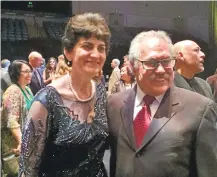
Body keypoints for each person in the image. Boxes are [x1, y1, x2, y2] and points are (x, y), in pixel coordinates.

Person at [107, 30, 217, 177]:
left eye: (166, 61)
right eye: (151, 63)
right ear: (133, 66)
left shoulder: (200, 109)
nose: (160, 70)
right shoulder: (114, 104)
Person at [19, 12, 111, 177]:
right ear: (68, 52)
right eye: (87, 46)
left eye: (101, 48)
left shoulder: (101, 93)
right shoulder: (46, 102)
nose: (96, 54)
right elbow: (27, 170)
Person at [1, 60, 33, 176]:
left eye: (30, 71)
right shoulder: (13, 91)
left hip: (25, 139)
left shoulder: (27, 89)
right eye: (25, 71)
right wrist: (21, 141)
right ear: (16, 73)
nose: (29, 74)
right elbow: (11, 121)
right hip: (14, 144)